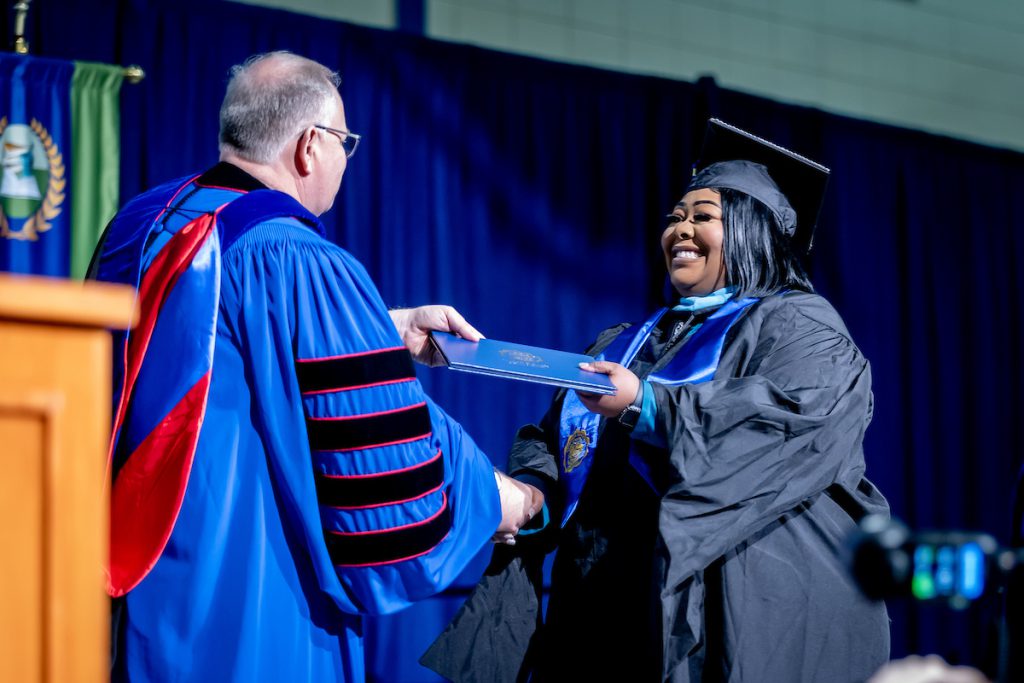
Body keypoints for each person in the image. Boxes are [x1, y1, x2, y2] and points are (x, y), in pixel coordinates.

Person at [89, 51, 542, 682]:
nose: (344, 160)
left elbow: (200, 339)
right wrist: (496, 498)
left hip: (118, 594)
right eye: (344, 142)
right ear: (309, 146)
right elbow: (379, 462)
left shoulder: (141, 227)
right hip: (246, 602)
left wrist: (384, 324)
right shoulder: (294, 254)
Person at [423, 120, 890, 682]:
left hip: (715, 608)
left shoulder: (799, 325)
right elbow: (558, 442)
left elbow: (780, 426)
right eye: (675, 217)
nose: (680, 229)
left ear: (752, 230)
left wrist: (647, 405)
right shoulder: (626, 341)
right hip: (601, 613)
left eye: (703, 217)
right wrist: (532, 494)